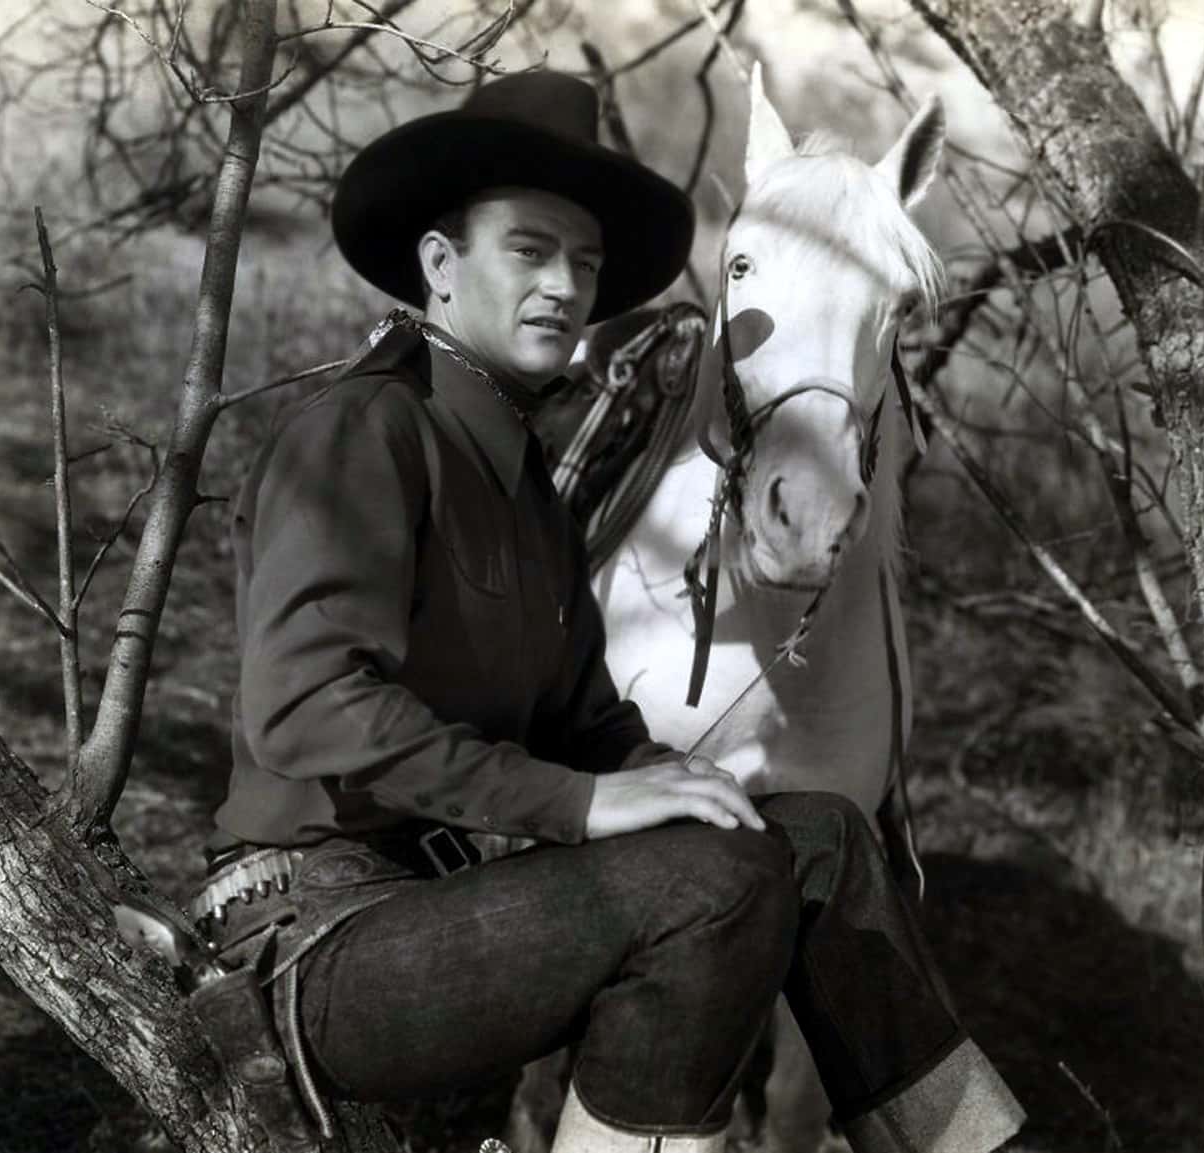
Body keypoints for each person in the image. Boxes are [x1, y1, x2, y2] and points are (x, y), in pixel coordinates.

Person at [197, 69, 1025, 1153]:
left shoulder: (529, 484)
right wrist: (582, 806)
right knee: (711, 884)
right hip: (324, 939)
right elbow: (306, 710)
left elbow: (585, 717)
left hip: (452, 914)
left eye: (584, 263)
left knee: (820, 835)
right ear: (440, 267)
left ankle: (971, 1147)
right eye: (529, 251)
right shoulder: (364, 433)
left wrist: (659, 776)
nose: (565, 286)